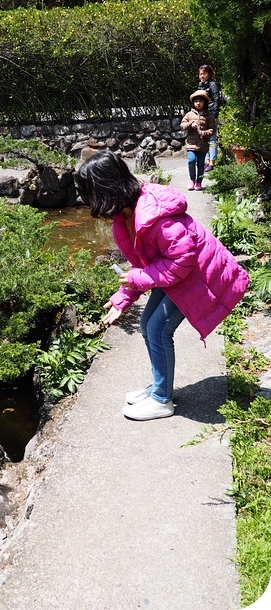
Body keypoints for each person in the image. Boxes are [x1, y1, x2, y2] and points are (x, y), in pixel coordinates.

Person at [76, 149, 250, 421]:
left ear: (106, 187)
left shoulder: (156, 215)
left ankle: (161, 400)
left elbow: (181, 261)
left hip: (197, 276)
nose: (88, 199)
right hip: (178, 274)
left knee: (157, 330)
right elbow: (143, 262)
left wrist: (137, 280)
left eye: (90, 191)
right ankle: (160, 386)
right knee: (148, 325)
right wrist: (123, 297)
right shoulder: (125, 214)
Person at [180, 89, 216, 191]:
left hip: (203, 145)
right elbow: (182, 125)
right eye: (196, 101)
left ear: (204, 103)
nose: (198, 103)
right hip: (191, 143)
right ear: (193, 103)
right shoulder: (189, 114)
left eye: (200, 101)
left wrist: (204, 133)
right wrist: (190, 124)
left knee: (201, 164)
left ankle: (199, 182)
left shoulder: (209, 116)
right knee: (191, 161)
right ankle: (192, 180)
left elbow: (212, 130)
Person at [197, 64, 222, 172]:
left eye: (204, 73)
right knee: (206, 138)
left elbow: (217, 100)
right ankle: (207, 161)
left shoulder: (213, 84)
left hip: (211, 114)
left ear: (209, 74)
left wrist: (214, 116)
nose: (202, 76)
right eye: (200, 74)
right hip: (204, 114)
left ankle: (212, 162)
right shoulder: (201, 85)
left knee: (212, 138)